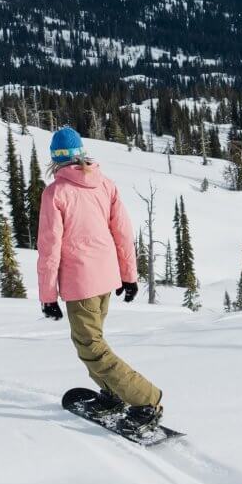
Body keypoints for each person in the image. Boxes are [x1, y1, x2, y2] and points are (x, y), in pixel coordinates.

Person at [35, 126, 163, 427]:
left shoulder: (56, 193)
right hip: (106, 279)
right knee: (91, 342)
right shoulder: (105, 184)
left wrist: (47, 296)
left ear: (55, 159)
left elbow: (49, 248)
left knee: (91, 346)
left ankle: (145, 399)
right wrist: (129, 276)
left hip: (81, 284)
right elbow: (122, 233)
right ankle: (112, 393)